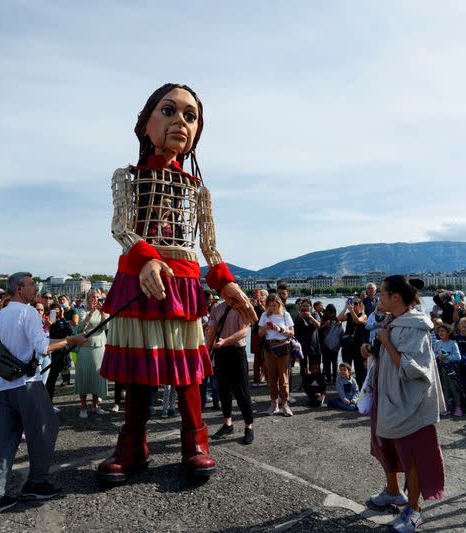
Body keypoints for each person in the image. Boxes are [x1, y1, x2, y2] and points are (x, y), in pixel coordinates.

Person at [95, 84, 256, 484]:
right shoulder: (127, 178)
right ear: (146, 121)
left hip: (183, 283)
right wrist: (147, 258)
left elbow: (210, 249)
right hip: (140, 279)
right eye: (169, 111)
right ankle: (132, 443)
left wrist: (228, 286)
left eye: (190, 115)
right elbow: (122, 228)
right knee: (138, 370)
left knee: (187, 370)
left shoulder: (198, 191)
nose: (180, 122)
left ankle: (194, 441)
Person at [0, 272, 87, 519]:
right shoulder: (27, 313)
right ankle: (36, 483)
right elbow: (42, 346)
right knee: (46, 430)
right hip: (27, 385)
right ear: (18, 288)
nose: (34, 288)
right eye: (30, 285)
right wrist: (73, 340)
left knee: (4, 443)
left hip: (4, 387)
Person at [370, 275, 445, 532]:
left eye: (382, 294)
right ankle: (398, 496)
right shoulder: (397, 321)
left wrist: (385, 342)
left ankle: (415, 512)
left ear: (396, 298)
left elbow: (414, 369)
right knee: (396, 449)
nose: (379, 299)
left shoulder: (414, 327)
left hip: (411, 405)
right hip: (394, 399)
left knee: (415, 458)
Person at [207, 300, 254, 445]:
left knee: (242, 391)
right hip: (220, 351)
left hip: (236, 351)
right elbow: (212, 330)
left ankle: (249, 426)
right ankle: (228, 424)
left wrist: (225, 341)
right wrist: (206, 354)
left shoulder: (241, 307)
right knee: (224, 390)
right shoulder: (217, 307)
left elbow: (244, 331)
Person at [258, 293, 295, 417]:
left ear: (279, 304)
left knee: (284, 378)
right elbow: (260, 334)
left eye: (274, 305)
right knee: (272, 378)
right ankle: (274, 404)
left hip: (283, 347)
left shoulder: (286, 315)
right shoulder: (264, 315)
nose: (272, 308)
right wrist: (266, 328)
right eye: (270, 305)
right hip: (269, 348)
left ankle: (285, 404)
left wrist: (279, 329)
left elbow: (292, 333)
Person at [75, 289, 110, 418]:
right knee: (84, 375)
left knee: (97, 376)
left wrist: (102, 313)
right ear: (88, 298)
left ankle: (96, 405)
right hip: (85, 347)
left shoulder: (103, 311)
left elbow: (106, 328)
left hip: (99, 346)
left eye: (98, 297)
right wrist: (90, 313)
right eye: (93, 297)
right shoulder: (83, 311)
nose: (95, 299)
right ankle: (83, 407)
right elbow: (81, 328)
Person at [44, 304, 74, 404]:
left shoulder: (62, 320)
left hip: (60, 352)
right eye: (53, 312)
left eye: (57, 312)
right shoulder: (46, 320)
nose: (55, 314)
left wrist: (62, 317)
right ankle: (45, 403)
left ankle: (49, 402)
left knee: (52, 380)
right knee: (47, 380)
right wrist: (49, 323)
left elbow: (70, 332)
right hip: (49, 351)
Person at [433, 323, 462, 417]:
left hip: (452, 369)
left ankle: (458, 408)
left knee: (454, 388)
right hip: (442, 369)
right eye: (439, 331)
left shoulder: (453, 343)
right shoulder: (437, 343)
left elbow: (458, 357)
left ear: (448, 332)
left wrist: (446, 357)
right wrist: (438, 356)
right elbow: (433, 355)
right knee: (444, 388)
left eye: (443, 331)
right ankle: (445, 407)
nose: (440, 333)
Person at [339, 298, 368, 388]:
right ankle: (347, 387)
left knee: (359, 368)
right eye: (352, 303)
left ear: (360, 305)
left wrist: (351, 310)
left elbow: (358, 321)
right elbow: (339, 318)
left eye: (356, 303)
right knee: (346, 366)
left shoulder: (363, 315)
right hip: (347, 345)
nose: (353, 305)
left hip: (358, 345)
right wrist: (345, 308)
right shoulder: (348, 314)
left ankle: (359, 387)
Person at [319, 304, 341, 383]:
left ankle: (334, 379)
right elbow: (319, 329)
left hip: (335, 344)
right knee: (326, 362)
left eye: (333, 312)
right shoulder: (323, 319)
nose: (331, 314)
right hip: (325, 344)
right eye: (330, 312)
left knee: (335, 363)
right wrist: (325, 325)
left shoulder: (337, 320)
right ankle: (328, 379)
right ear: (327, 312)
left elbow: (340, 332)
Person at [250, 289, 267, 387]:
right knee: (257, 357)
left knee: (266, 356)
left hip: (266, 333)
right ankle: (256, 379)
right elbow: (249, 314)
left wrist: (260, 303)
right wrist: (253, 303)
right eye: (256, 295)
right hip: (256, 333)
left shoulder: (266, 304)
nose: (259, 297)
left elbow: (266, 313)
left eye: (261, 295)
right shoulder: (253, 304)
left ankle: (266, 377)